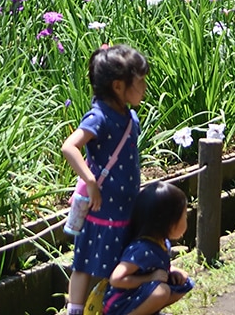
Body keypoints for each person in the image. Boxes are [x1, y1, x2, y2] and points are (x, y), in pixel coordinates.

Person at [61, 44, 149, 315]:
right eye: (140, 82)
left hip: (123, 208)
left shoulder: (128, 116)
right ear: (118, 86)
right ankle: (76, 310)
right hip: (101, 209)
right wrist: (89, 181)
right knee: (85, 263)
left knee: (111, 263)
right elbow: (69, 147)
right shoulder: (99, 116)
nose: (145, 88)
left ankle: (104, 308)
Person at [101, 181, 194, 315]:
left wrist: (171, 271)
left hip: (138, 293)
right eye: (184, 215)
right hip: (120, 303)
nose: (186, 219)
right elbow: (116, 279)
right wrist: (149, 278)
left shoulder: (162, 242)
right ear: (169, 222)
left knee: (183, 283)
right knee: (162, 291)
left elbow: (154, 267)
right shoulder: (142, 249)